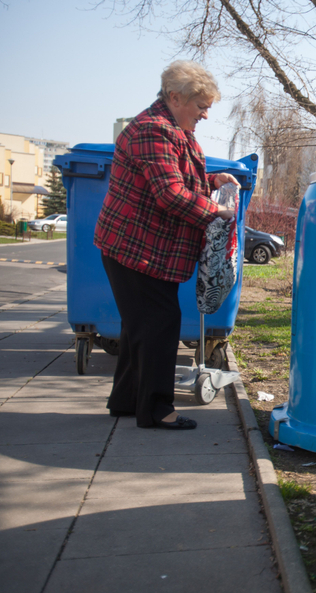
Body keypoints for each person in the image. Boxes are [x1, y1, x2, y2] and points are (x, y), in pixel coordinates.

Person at [94, 61, 238, 430]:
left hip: (145, 249)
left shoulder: (172, 128)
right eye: (201, 106)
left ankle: (126, 401)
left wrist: (210, 179)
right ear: (175, 98)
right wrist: (217, 210)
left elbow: (177, 176)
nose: (205, 114)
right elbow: (170, 193)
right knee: (159, 324)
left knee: (139, 327)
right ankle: (158, 410)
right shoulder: (153, 131)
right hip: (136, 249)